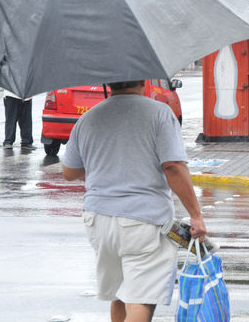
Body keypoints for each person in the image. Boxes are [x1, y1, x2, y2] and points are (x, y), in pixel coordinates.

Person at [62, 80, 206, 322]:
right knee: (141, 299)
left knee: (119, 294)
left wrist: (104, 157)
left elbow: (70, 172)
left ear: (109, 83)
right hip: (143, 222)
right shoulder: (159, 113)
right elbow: (173, 166)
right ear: (142, 80)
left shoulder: (89, 118)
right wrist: (196, 215)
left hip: (98, 220)